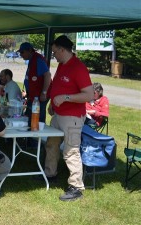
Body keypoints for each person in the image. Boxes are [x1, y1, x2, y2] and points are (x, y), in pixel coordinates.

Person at [45, 35, 94, 202]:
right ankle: (50, 174)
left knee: (71, 150)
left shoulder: (78, 68)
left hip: (72, 116)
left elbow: (88, 94)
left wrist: (65, 98)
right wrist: (53, 102)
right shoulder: (61, 65)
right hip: (58, 115)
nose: (54, 55)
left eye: (55, 52)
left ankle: (76, 187)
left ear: (63, 50)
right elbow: (57, 86)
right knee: (51, 144)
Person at [18, 42, 51, 124]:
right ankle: (29, 135)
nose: (21, 55)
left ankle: (37, 136)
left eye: (22, 52)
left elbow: (48, 75)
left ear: (29, 51)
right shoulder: (32, 60)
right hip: (34, 95)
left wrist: (44, 92)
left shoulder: (38, 59)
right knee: (29, 115)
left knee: (38, 117)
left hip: (40, 96)